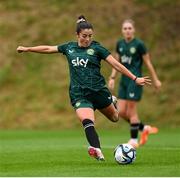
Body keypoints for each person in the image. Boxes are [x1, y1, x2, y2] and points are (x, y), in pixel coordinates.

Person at [17, 15, 151, 161]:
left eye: (90, 36)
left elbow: (116, 65)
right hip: (79, 93)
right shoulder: (69, 47)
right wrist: (28, 48)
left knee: (115, 117)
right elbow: (49, 48)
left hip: (99, 91)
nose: (87, 39)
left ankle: (112, 102)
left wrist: (135, 78)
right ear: (77, 35)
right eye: (84, 36)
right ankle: (97, 149)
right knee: (87, 120)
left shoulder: (97, 48)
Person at [108, 19, 162, 148]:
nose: (127, 30)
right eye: (125, 28)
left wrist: (155, 80)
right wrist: (112, 77)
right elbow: (117, 62)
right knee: (120, 112)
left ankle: (133, 140)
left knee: (131, 111)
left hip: (136, 80)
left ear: (134, 30)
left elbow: (148, 63)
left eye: (129, 28)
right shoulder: (119, 44)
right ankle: (144, 128)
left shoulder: (139, 44)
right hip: (124, 81)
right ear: (122, 30)